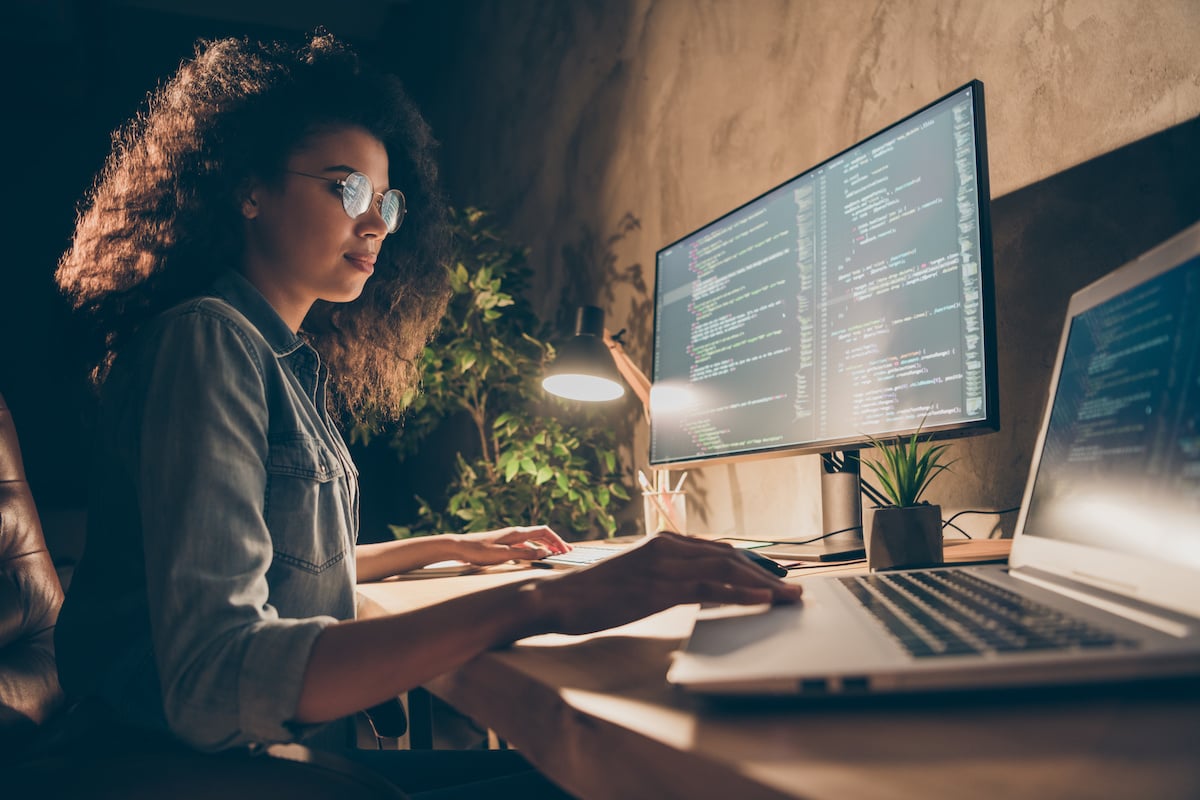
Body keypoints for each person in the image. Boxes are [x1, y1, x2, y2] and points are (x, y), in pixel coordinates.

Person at [52, 31, 801, 798]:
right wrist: (550, 599)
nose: (375, 223)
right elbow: (215, 680)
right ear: (250, 189)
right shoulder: (208, 341)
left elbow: (281, 565)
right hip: (176, 771)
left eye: (387, 201)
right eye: (346, 190)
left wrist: (449, 547)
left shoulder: (278, 355)